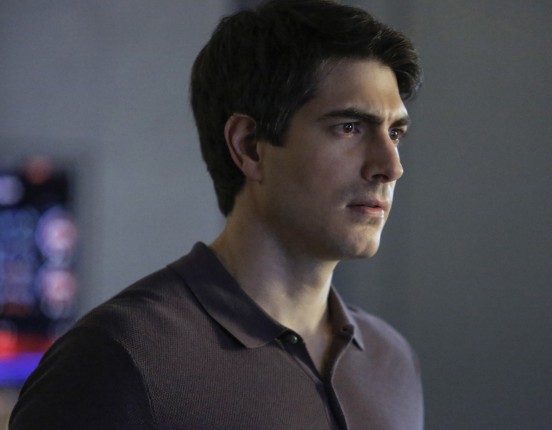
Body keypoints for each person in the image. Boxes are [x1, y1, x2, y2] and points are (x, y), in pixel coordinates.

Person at [9, 0, 423, 428]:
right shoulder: (117, 359)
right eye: (349, 128)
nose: (390, 166)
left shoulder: (390, 360)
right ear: (249, 146)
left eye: (395, 133)